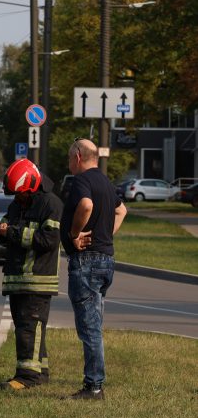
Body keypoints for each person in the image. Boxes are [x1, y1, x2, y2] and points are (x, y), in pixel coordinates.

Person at [61, 138, 127, 400]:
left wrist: (75, 234)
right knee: (95, 323)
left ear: (77, 156)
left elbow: (85, 205)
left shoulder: (82, 181)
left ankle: (94, 386)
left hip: (86, 261)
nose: (70, 163)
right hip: (106, 260)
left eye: (69, 159)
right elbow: (122, 210)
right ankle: (95, 382)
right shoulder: (106, 183)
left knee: (89, 326)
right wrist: (104, 235)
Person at [0, 159, 63, 390]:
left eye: (19, 194)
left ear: (31, 187)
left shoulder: (51, 205)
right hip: (18, 279)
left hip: (37, 280)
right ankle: (40, 373)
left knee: (28, 328)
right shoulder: (17, 205)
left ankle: (27, 377)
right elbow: (7, 226)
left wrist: (12, 232)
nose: (16, 198)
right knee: (30, 329)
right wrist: (2, 232)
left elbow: (49, 240)